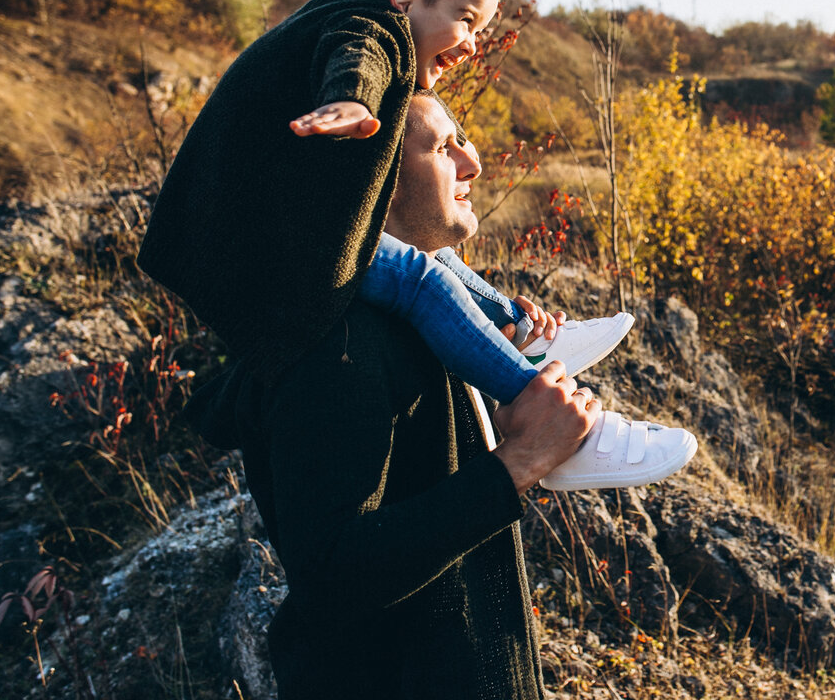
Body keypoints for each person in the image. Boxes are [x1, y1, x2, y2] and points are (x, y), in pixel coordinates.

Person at [139, 0, 694, 488]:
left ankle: (521, 334)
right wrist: (351, 101)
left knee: (423, 257)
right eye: (466, 18)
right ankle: (546, 409)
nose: (474, 43)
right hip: (248, 241)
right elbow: (360, 56)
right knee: (415, 276)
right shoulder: (367, 24)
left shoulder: (344, 23)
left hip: (259, 233)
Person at [189, 91, 623, 698]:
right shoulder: (336, 346)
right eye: (444, 148)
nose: (472, 164)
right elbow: (334, 572)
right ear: (377, 179)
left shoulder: (429, 320)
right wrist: (519, 463)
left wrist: (499, 404)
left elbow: (422, 476)